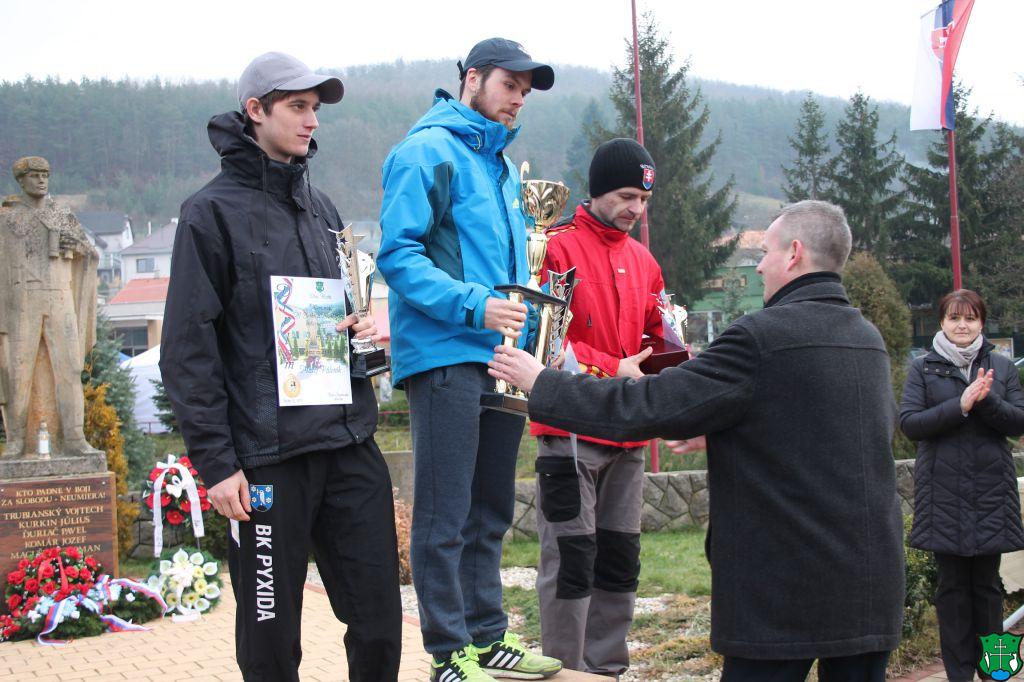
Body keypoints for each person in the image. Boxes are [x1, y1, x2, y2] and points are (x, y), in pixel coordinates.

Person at [489, 200, 906, 681]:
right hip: (870, 587)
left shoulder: (761, 338)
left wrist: (544, 384)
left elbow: (646, 405)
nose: (760, 267)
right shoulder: (866, 339)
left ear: (794, 254)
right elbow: (829, 430)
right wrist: (728, 431)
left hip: (784, 593)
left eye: (764, 254)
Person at [160, 52, 402, 682]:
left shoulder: (321, 209)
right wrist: (217, 463)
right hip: (267, 460)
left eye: (315, 108)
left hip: (348, 444)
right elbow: (186, 350)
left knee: (380, 624)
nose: (311, 120)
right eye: (297, 106)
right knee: (270, 644)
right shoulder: (208, 214)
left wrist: (359, 330)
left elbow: (339, 314)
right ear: (255, 110)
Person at [377, 37, 562, 682]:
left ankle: (486, 637)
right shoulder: (425, 151)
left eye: (525, 92)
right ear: (472, 79)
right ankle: (447, 651)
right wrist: (475, 305)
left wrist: (534, 327)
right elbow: (397, 257)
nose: (518, 100)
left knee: (489, 510)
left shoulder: (502, 167)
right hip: (444, 354)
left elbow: (509, 269)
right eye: (510, 85)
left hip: (502, 358)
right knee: (444, 513)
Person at [529, 138, 665, 677]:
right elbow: (542, 342)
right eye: (628, 196)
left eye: (644, 200)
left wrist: (679, 375)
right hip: (568, 432)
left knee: (619, 561)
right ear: (599, 190)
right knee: (571, 561)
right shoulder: (554, 247)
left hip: (629, 435)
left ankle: (607, 670)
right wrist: (612, 369)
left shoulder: (645, 261)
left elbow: (657, 341)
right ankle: (568, 671)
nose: (636, 209)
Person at [900, 289, 1024, 682]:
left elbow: (1019, 422)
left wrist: (987, 401)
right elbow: (910, 424)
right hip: (943, 495)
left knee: (989, 589)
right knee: (951, 590)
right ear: (942, 322)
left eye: (970, 318)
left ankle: (997, 671)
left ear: (982, 323)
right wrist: (961, 405)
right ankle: (958, 675)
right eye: (954, 318)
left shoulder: (1001, 367)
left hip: (991, 493)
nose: (962, 325)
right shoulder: (923, 368)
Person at [0, 156, 98, 458]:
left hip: (60, 298)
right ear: (21, 180)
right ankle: (16, 441)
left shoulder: (61, 214)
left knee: (70, 368)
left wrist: (78, 248)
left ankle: (75, 438)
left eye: (45, 174)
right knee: (18, 373)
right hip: (21, 302)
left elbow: (90, 255)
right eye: (35, 175)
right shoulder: (7, 218)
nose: (42, 180)